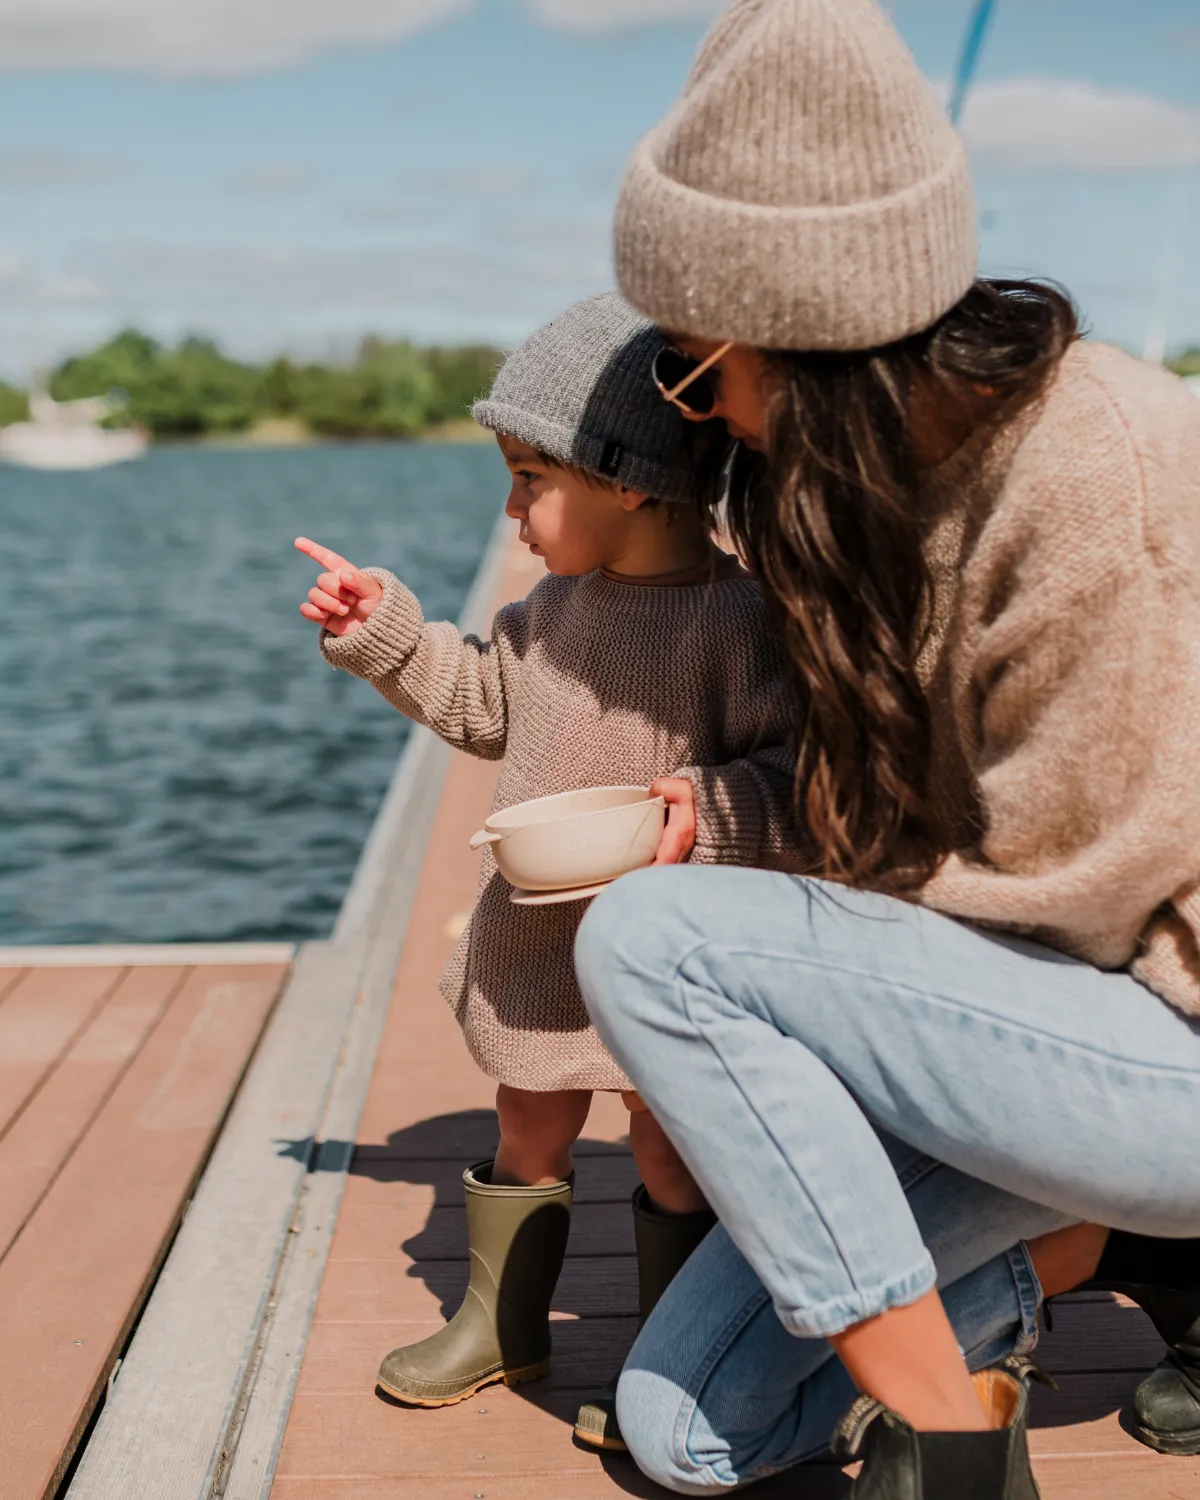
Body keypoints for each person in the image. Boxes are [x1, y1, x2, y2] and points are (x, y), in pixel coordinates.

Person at [572, 1, 1200, 1495]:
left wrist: (791, 980)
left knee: (658, 950)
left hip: (1165, 1038)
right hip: (1032, 1035)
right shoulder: (866, 490)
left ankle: (945, 1442)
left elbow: (1076, 895)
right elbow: (902, 843)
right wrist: (728, 820)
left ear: (799, 338)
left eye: (692, 367)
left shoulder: (1093, 474)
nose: (698, 415)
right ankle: (967, 1367)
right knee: (687, 1436)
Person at [294, 292, 805, 1443]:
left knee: (669, 1137)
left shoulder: (744, 620)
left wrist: (715, 807)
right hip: (538, 937)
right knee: (529, 1115)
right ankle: (500, 1321)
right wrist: (384, 633)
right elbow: (483, 706)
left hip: (674, 943)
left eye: (531, 478)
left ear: (630, 477)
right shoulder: (544, 615)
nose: (512, 508)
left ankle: (673, 1367)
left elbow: (796, 767)